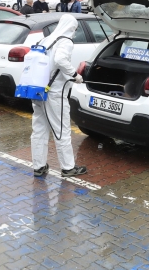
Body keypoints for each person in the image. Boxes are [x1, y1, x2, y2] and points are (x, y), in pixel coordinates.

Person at [31, 14, 87, 178]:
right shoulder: (65, 42)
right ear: (71, 28)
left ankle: (39, 166)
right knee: (61, 129)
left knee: (39, 129)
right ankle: (68, 168)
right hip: (55, 92)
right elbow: (61, 59)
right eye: (74, 29)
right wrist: (74, 75)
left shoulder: (47, 40)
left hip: (38, 90)